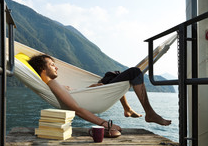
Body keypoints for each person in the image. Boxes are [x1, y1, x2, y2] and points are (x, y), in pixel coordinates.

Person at [28, 54, 171, 135]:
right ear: (42, 68)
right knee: (134, 72)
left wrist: (92, 88)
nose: (56, 67)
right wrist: (106, 124)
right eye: (52, 65)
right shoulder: (53, 84)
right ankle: (150, 113)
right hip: (88, 100)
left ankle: (127, 108)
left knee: (112, 76)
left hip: (89, 93)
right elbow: (76, 109)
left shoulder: (56, 83)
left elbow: (75, 94)